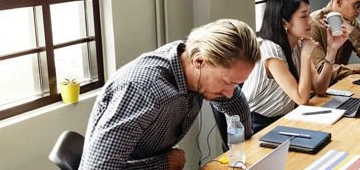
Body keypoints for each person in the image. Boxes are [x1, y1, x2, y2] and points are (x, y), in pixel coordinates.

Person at [79, 19, 260, 170]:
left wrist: (242, 151)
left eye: (236, 84)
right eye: (227, 83)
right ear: (199, 61)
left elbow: (236, 104)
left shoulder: (192, 66)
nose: (229, 93)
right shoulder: (142, 91)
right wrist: (164, 164)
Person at [243, 0, 348, 133]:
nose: (310, 20)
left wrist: (331, 50)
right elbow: (301, 99)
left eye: (309, 13)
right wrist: (305, 56)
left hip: (285, 118)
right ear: (284, 22)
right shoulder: (270, 50)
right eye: (304, 16)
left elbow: (320, 88)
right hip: (258, 125)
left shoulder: (299, 43)